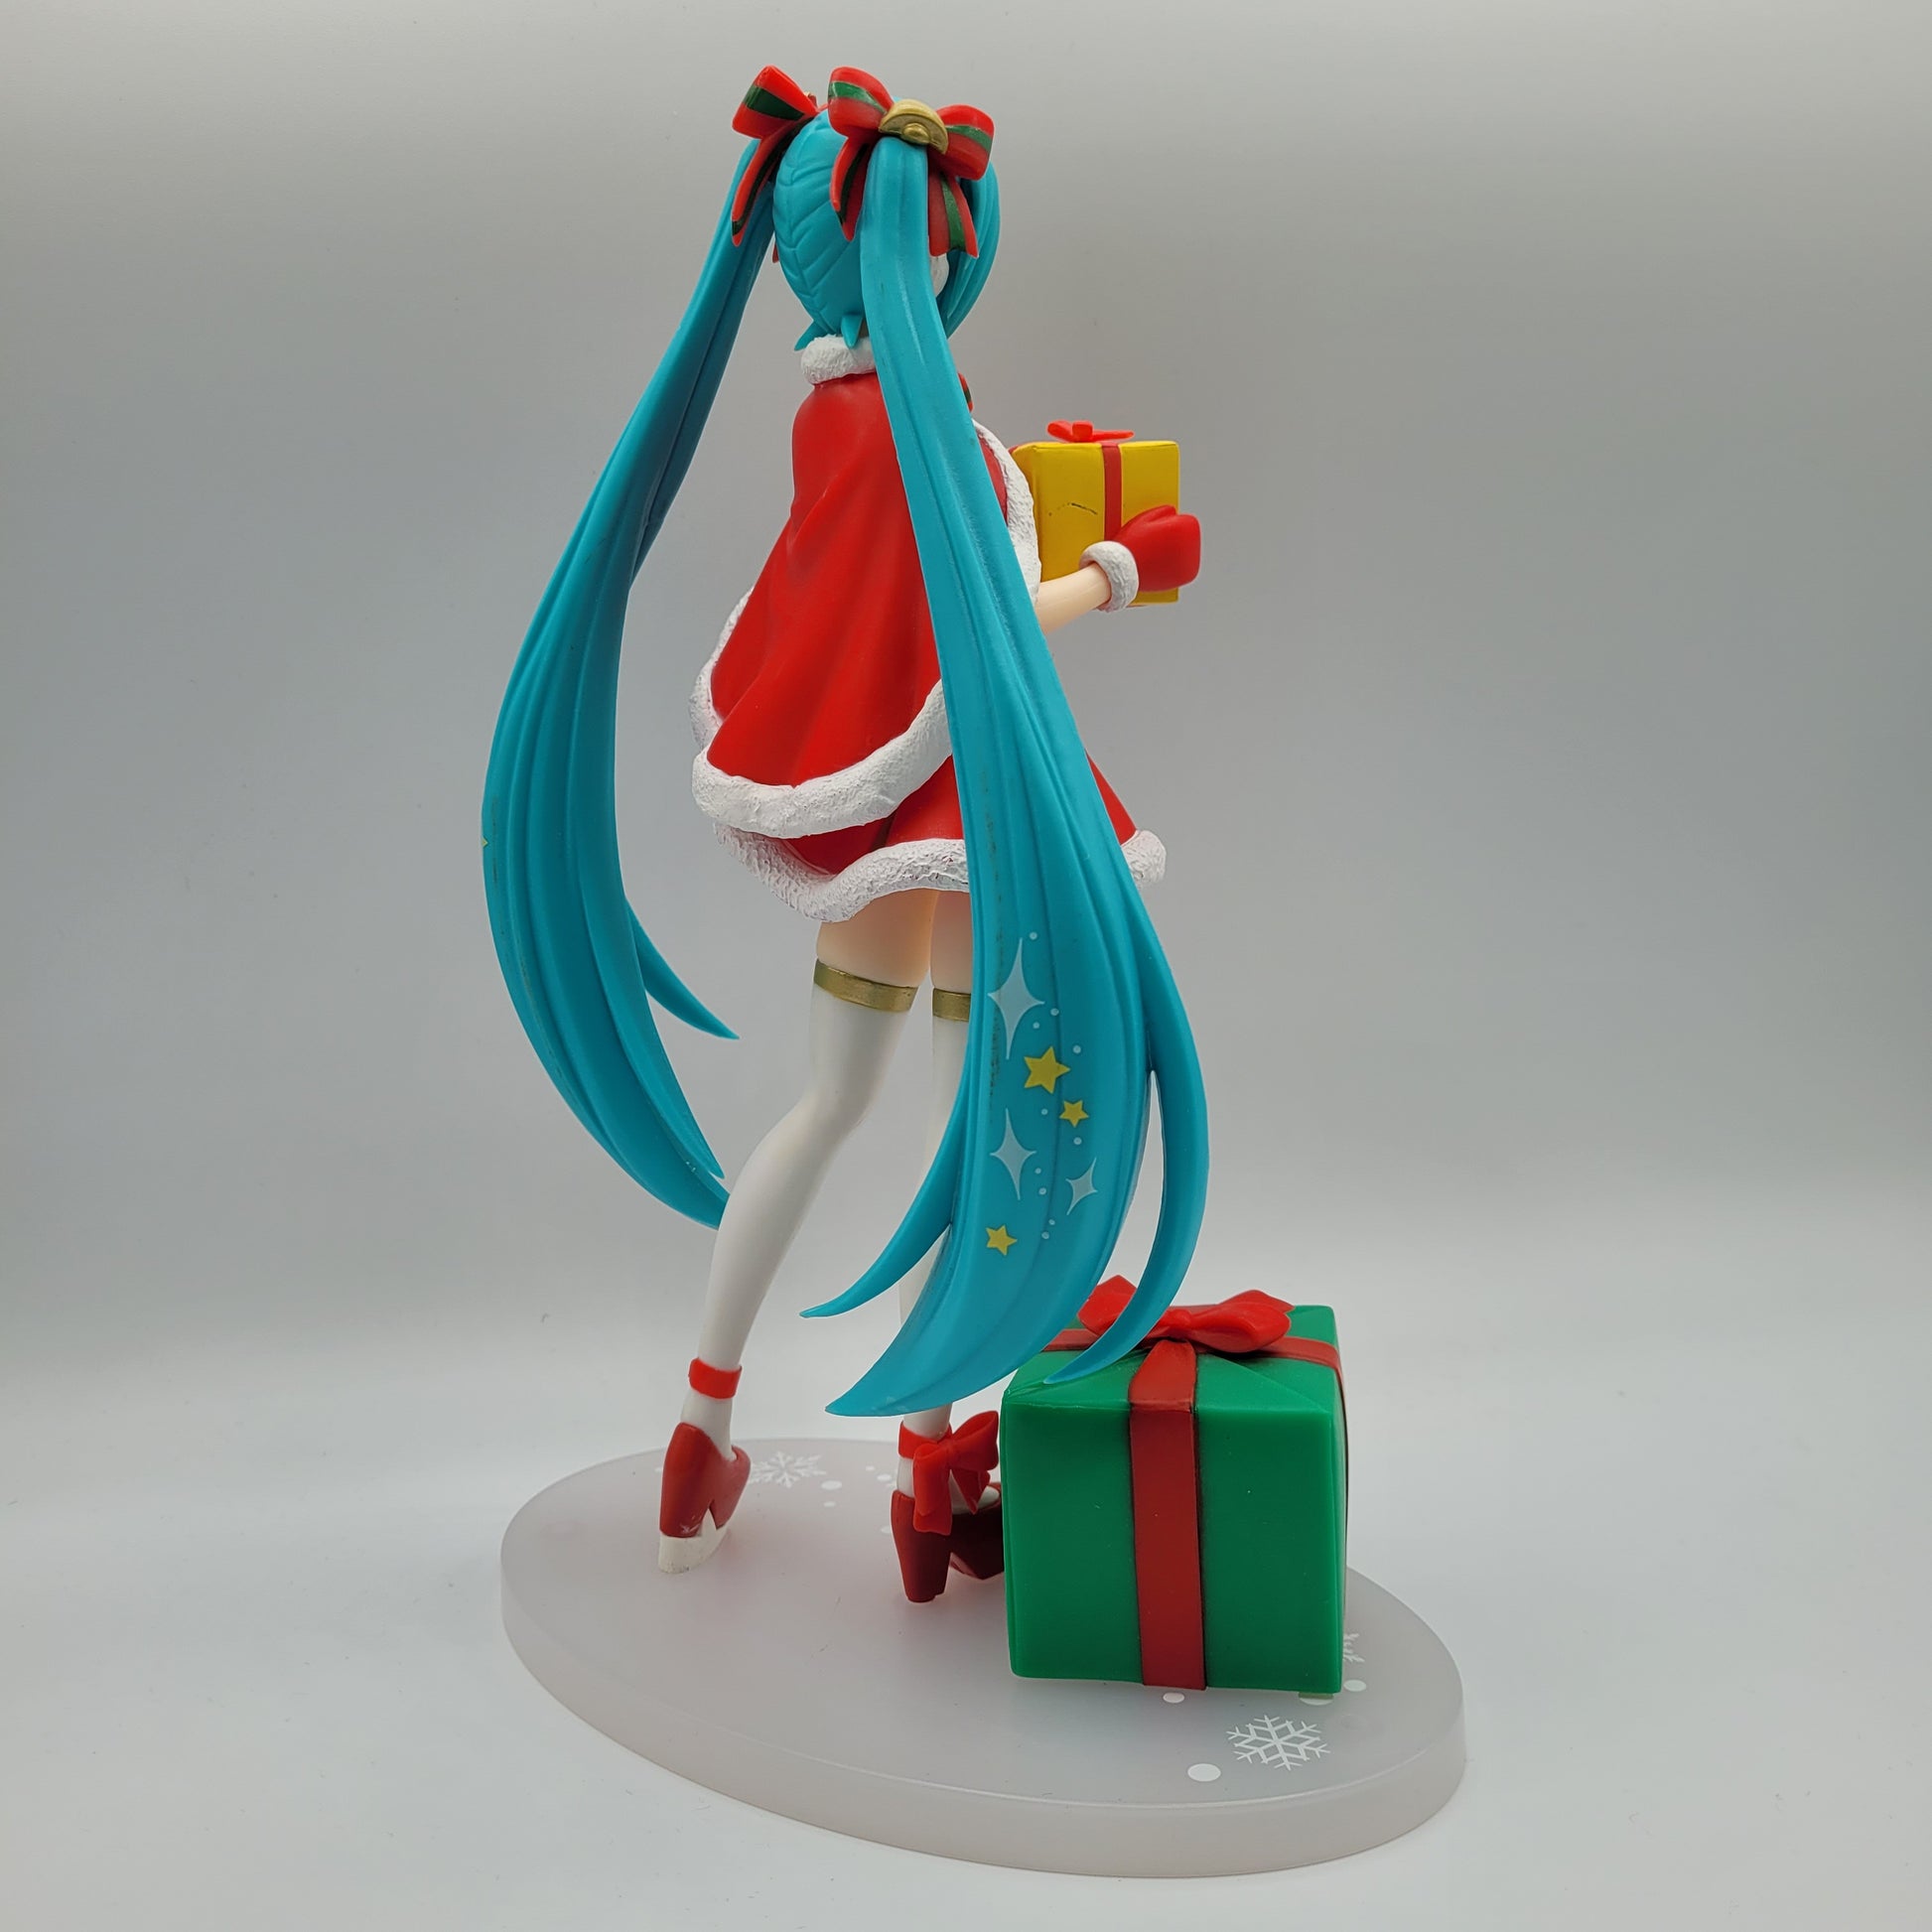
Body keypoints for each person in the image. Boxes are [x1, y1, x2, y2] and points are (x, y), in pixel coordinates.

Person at [483, 68, 1209, 1601]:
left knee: (838, 1109)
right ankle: (923, 1456)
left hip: (889, 828)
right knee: (959, 1122)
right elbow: (984, 627)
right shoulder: (915, 429)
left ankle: (707, 1426)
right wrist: (1123, 571)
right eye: (933, 247)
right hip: (955, 815)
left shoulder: (832, 410)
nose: (940, 274)